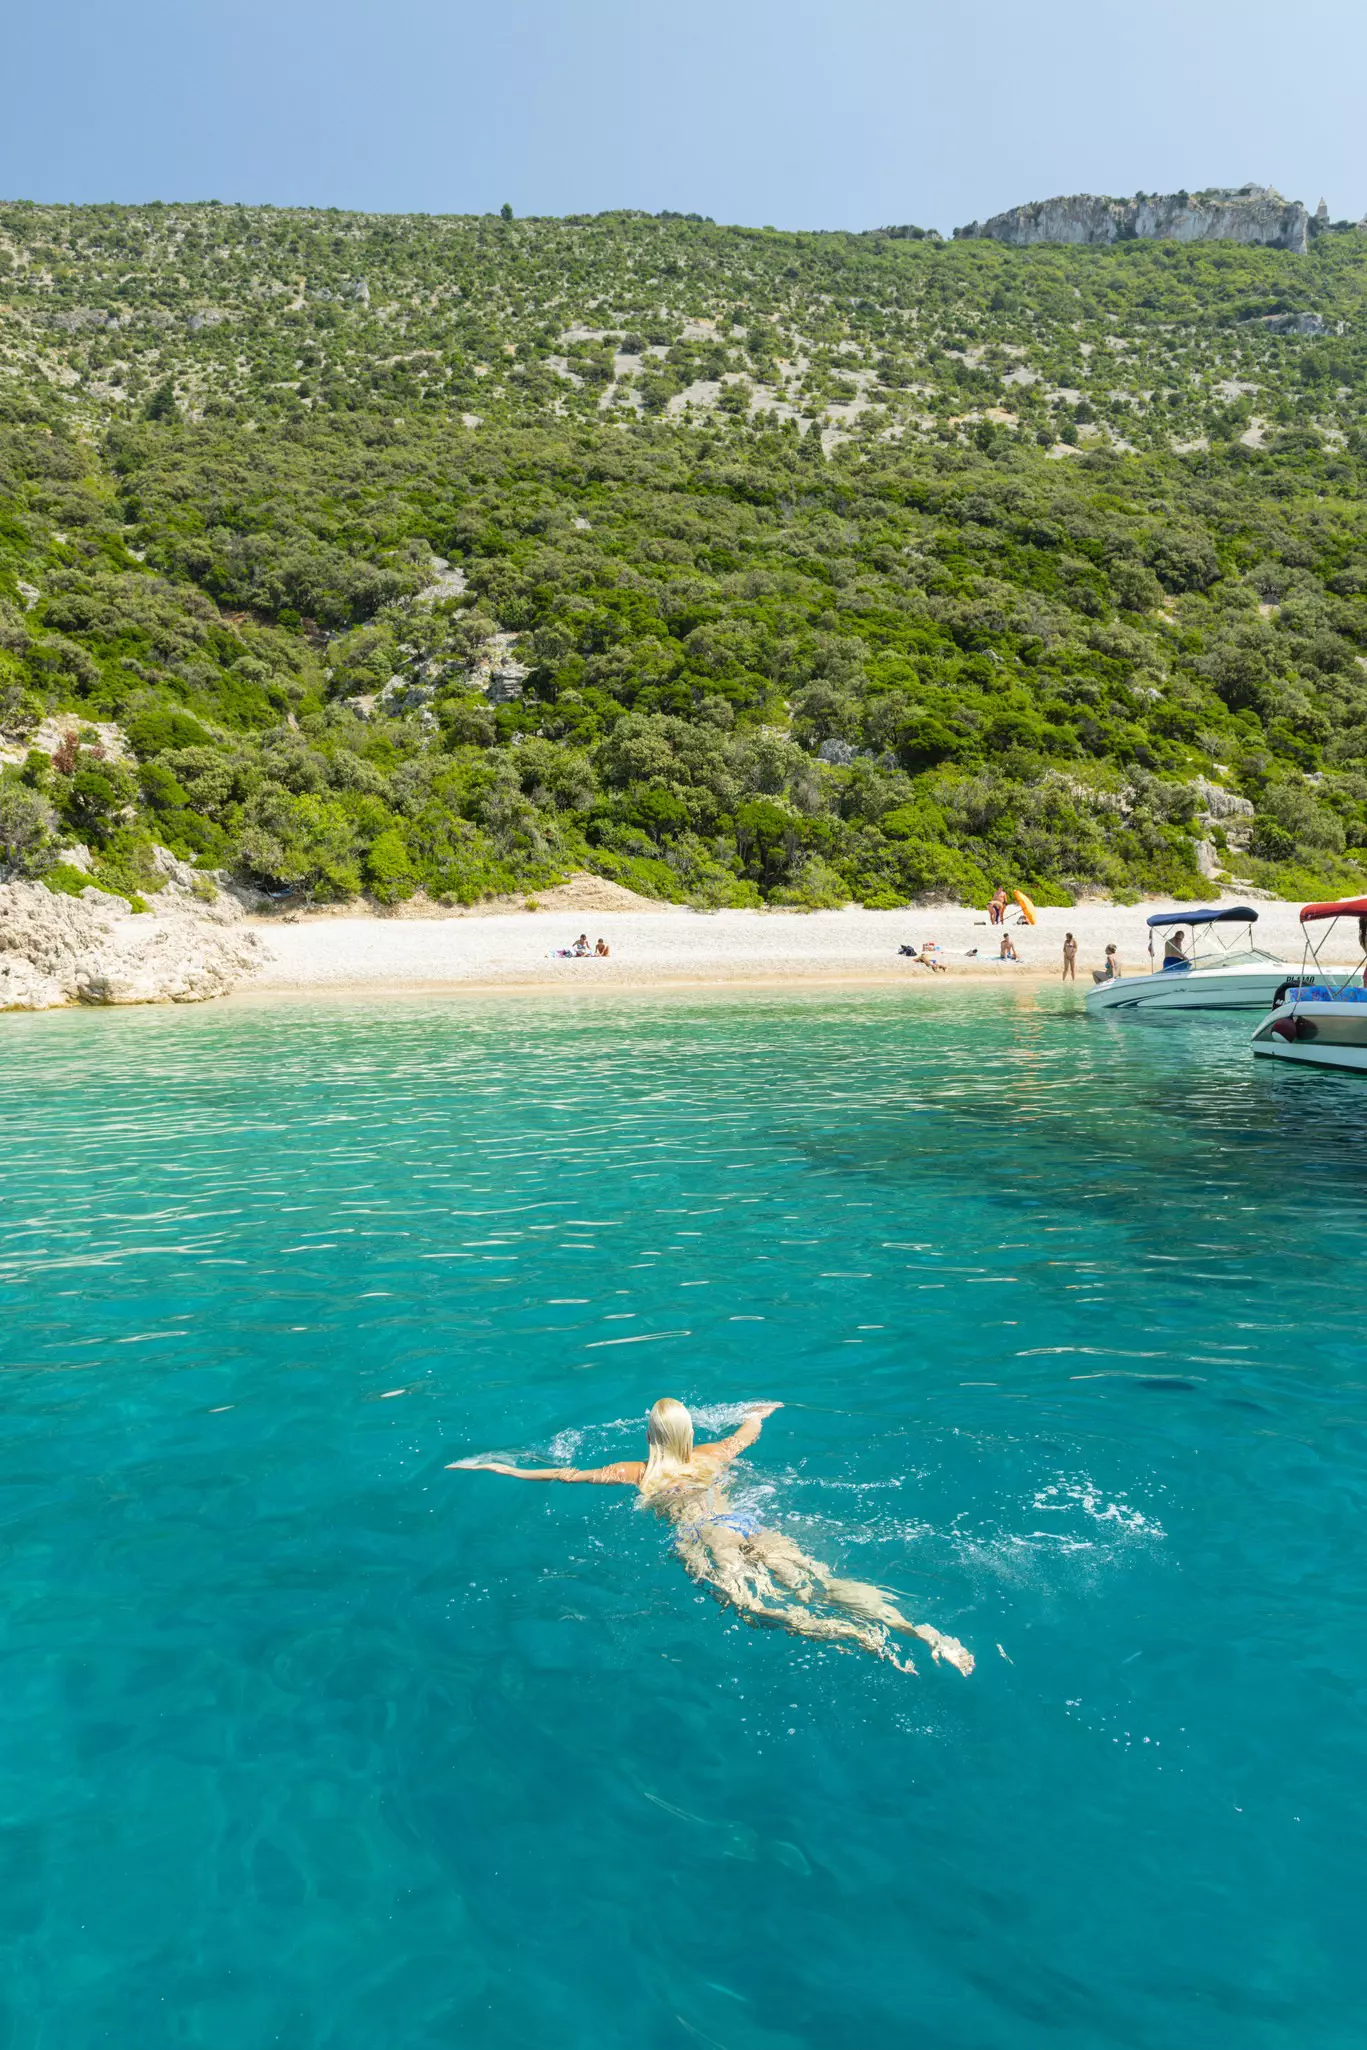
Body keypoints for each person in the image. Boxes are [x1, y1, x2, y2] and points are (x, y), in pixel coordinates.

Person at [451, 1398, 973, 1676]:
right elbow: (749, 1433)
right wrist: (756, 1413)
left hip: (702, 1538)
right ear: (689, 1434)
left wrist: (497, 1468)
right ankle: (919, 1631)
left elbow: (563, 1475)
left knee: (756, 1607)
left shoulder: (636, 1471)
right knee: (820, 1581)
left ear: (653, 1436)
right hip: (748, 1523)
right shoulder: (712, 1455)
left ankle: (860, 1641)